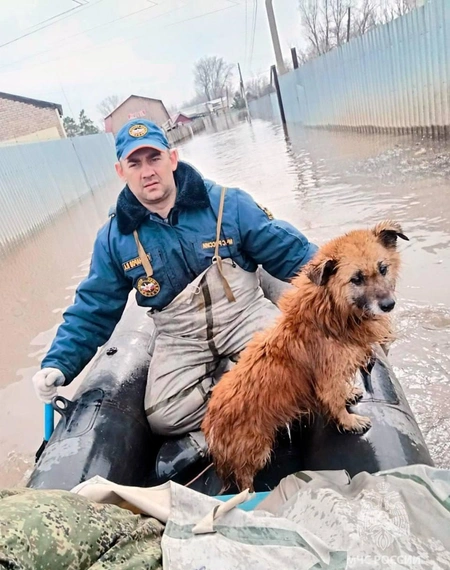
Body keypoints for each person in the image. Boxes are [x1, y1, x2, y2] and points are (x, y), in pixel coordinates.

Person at [32, 118, 317, 460]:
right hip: (182, 337)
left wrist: (351, 298)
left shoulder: (229, 204)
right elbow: (93, 308)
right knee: (164, 416)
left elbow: (294, 256)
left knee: (302, 368)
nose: (146, 171)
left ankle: (239, 406)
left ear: (173, 158)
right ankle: (245, 403)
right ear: (120, 171)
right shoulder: (114, 239)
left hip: (244, 316)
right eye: (134, 163)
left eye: (154, 159)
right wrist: (59, 363)